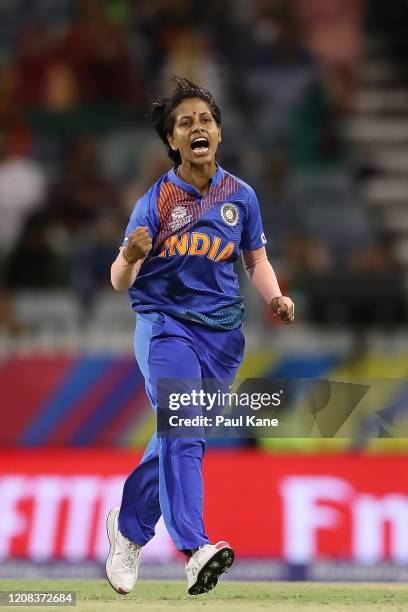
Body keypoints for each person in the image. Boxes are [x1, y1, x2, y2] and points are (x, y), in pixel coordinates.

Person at [106, 78, 294, 596]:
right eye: (185, 123)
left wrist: (274, 297)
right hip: (166, 329)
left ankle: (127, 529)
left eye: (205, 120)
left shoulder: (241, 196)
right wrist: (129, 256)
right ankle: (195, 548)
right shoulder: (156, 202)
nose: (197, 128)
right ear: (172, 141)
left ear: (219, 131)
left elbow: (255, 259)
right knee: (184, 432)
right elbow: (119, 281)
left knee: (176, 436)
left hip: (223, 339)